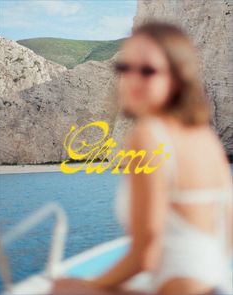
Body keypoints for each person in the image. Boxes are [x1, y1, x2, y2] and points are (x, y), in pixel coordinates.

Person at [52, 21, 232, 295]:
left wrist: (85, 285)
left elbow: (145, 253)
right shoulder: (204, 138)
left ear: (176, 76)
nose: (132, 79)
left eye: (147, 70)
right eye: (124, 68)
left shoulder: (149, 136)